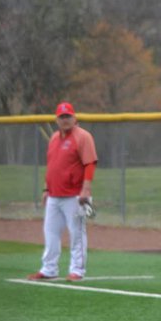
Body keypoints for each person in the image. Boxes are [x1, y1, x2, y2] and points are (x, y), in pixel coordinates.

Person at [28, 101, 97, 282]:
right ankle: (49, 269)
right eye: (62, 117)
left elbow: (90, 163)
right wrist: (46, 188)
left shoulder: (83, 136)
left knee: (77, 233)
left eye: (68, 116)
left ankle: (77, 270)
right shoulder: (53, 139)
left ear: (75, 118)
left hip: (76, 195)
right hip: (54, 195)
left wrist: (86, 189)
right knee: (50, 232)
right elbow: (52, 166)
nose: (65, 120)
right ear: (56, 120)